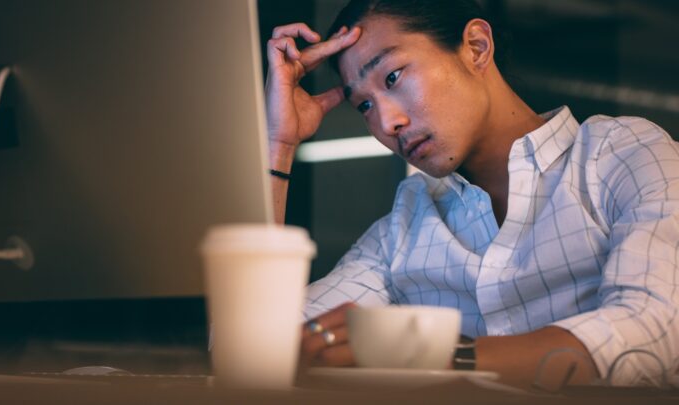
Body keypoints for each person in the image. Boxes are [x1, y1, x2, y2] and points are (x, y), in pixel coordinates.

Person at [264, 0, 679, 388]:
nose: (387, 122)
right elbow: (256, 344)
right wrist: (279, 141)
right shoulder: (406, 224)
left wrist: (439, 354)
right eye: (365, 106)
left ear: (477, 47)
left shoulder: (624, 155)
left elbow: (656, 331)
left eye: (393, 76)